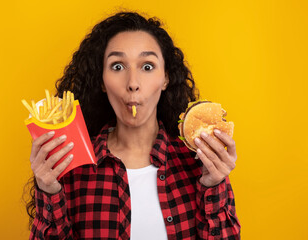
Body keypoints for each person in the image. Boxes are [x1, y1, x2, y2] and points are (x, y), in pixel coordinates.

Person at [25, 11, 241, 240]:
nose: (133, 84)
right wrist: (48, 190)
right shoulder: (72, 167)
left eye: (147, 66)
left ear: (165, 78)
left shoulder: (198, 163)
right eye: (118, 66)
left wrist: (213, 184)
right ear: (102, 81)